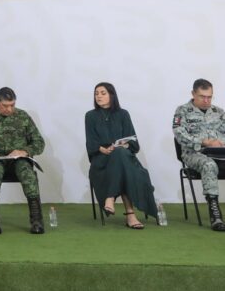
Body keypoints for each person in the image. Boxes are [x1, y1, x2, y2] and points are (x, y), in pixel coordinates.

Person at [0, 87, 45, 234]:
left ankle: (37, 220)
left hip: (19, 160)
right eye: (5, 106)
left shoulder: (23, 117)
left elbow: (39, 142)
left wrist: (24, 151)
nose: (9, 109)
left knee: (28, 175)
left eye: (12, 105)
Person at [85, 82, 157, 229]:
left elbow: (134, 143)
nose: (98, 96)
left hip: (123, 158)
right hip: (102, 161)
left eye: (103, 93)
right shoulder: (90, 116)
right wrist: (102, 149)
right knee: (123, 165)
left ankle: (110, 197)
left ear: (112, 95)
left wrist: (125, 145)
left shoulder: (123, 114)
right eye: (96, 93)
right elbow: (91, 142)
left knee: (120, 154)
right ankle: (130, 215)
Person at [173, 78, 225, 231]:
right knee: (208, 165)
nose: (206, 100)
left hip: (220, 153)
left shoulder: (219, 112)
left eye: (210, 96)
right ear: (193, 94)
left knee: (212, 162)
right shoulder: (182, 111)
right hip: (194, 153)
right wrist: (204, 142)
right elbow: (179, 134)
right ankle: (215, 214)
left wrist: (219, 142)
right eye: (202, 96)